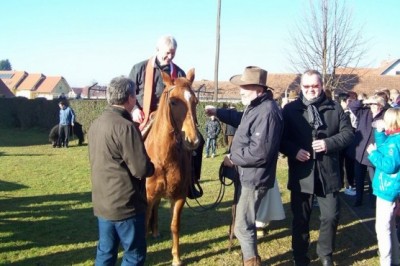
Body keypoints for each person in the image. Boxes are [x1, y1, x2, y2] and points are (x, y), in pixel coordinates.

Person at [205, 66, 283, 266]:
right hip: (248, 175)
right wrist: (218, 112)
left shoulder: (267, 112)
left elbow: (260, 153)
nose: (240, 90)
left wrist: (233, 158)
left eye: (245, 86)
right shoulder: (256, 106)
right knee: (244, 224)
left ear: (259, 88)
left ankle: (251, 262)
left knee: (242, 226)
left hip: (253, 178)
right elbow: (241, 119)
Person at [280, 70, 354, 266]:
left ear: (321, 86)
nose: (311, 90)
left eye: (315, 86)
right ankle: (300, 256)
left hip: (328, 172)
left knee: (331, 216)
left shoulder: (334, 107)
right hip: (301, 172)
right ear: (301, 87)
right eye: (307, 86)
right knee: (300, 220)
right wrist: (293, 150)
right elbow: (280, 139)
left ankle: (325, 254)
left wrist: (328, 143)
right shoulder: (289, 110)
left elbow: (348, 134)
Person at [88, 76, 155, 265]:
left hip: (102, 202)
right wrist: (152, 166)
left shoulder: (96, 123)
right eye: (135, 95)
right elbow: (141, 168)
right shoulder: (125, 127)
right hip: (126, 206)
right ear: (130, 98)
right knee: (134, 255)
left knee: (105, 253)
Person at [128, 35, 204, 199]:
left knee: (198, 140)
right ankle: (130, 182)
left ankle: (190, 181)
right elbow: (129, 94)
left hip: (173, 121)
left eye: (173, 54)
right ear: (157, 49)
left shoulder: (180, 73)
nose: (170, 57)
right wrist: (134, 109)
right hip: (145, 117)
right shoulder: (139, 69)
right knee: (129, 142)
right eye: (167, 53)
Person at [367, 107, 400, 266]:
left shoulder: (396, 142)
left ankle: (386, 262)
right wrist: (379, 132)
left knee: (383, 229)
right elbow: (385, 147)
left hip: (388, 190)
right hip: (391, 189)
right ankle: (394, 260)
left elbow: (389, 165)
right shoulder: (393, 138)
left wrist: (373, 154)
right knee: (390, 227)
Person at [347, 94, 387, 207]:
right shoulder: (364, 112)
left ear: (381, 105)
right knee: (358, 178)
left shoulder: (385, 115)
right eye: (372, 104)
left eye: (375, 104)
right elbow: (352, 106)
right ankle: (358, 199)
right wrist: (364, 100)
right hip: (360, 151)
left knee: (372, 179)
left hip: (373, 152)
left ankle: (372, 201)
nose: (373, 106)